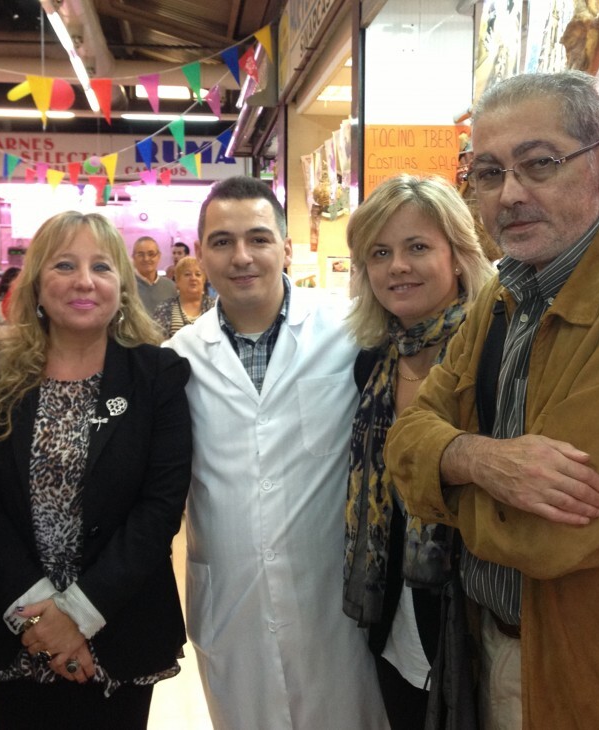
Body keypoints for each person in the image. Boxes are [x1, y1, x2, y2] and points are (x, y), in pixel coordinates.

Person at [384, 70, 599, 728]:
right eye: (488, 173)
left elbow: (553, 534)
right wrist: (473, 458)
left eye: (539, 163)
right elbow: (406, 439)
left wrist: (434, 477)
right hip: (486, 645)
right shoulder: (503, 292)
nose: (511, 194)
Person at [166, 176, 388, 730]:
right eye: (222, 241)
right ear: (201, 254)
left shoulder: (349, 331)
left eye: (259, 239)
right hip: (232, 602)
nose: (241, 256)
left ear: (286, 249)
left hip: (332, 601)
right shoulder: (177, 360)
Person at [0, 211, 190, 729]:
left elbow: (159, 509)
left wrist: (78, 618)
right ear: (37, 285)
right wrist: (40, 617)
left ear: (122, 285)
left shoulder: (156, 375)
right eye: (65, 265)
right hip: (21, 626)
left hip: (119, 624)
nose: (84, 281)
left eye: (102, 267)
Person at [343, 175, 495, 729]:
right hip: (391, 621)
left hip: (478, 621)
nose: (397, 266)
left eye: (417, 247)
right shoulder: (371, 363)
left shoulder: (491, 354)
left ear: (458, 255)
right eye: (380, 253)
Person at [153, 255, 215, 338]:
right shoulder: (163, 308)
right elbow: (156, 341)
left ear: (203, 280)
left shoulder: (215, 307)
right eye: (187, 274)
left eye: (198, 274)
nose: (193, 278)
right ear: (177, 281)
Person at [132, 236, 176, 315]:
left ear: (159, 256)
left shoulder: (170, 287)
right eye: (140, 254)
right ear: (133, 257)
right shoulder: (126, 287)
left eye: (151, 254)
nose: (146, 259)